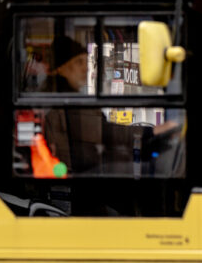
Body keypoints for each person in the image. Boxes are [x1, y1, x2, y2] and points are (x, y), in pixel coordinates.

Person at [41, 36, 178, 176]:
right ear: (60, 69)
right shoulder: (68, 101)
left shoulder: (65, 97)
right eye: (78, 62)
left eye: (85, 61)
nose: (86, 67)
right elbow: (105, 131)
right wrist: (149, 132)